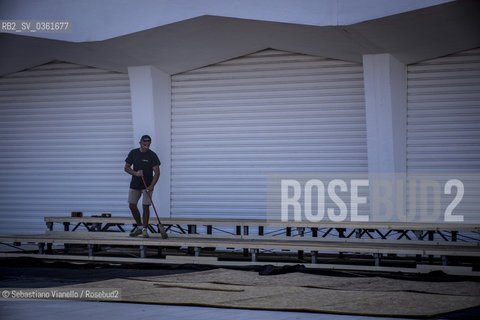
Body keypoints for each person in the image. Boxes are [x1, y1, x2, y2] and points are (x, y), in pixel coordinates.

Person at [124, 135, 160, 238]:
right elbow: (126, 168)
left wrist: (152, 186)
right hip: (135, 184)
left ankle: (145, 229)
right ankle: (139, 227)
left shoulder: (152, 155)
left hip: (147, 186)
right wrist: (136, 173)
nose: (146, 146)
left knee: (145, 206)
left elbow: (157, 173)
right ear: (140, 143)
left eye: (148, 144)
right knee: (132, 205)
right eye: (144, 144)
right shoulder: (133, 153)